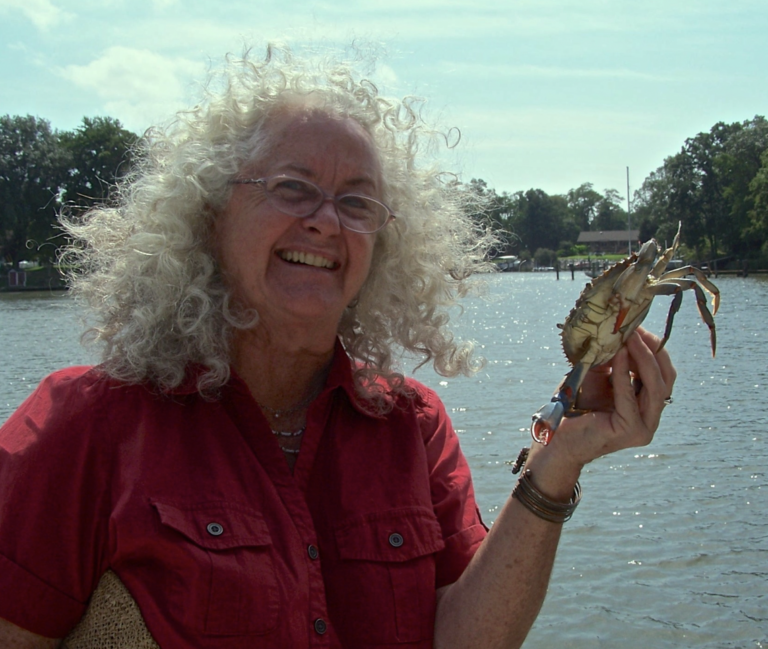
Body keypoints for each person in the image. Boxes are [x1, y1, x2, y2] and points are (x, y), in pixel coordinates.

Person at [0, 45, 676, 649]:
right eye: (292, 188)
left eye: (357, 203)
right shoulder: (85, 424)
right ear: (210, 214)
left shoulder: (414, 427)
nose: (325, 221)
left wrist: (559, 460)